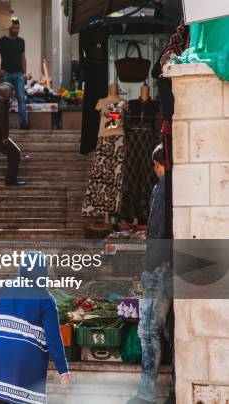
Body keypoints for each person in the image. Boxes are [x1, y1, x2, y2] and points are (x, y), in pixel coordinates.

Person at [0, 251, 70, 403]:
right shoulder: (46, 300)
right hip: (27, 364)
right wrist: (63, 370)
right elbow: (53, 338)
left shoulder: (1, 289)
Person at [128, 144, 173, 404]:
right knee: (174, 331)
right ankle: (176, 389)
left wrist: (149, 268)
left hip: (162, 269)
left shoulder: (162, 186)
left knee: (148, 330)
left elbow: (156, 230)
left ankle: (145, 394)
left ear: (157, 165)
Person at [0, 17, 28, 129]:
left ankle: (23, 125)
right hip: (6, 75)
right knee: (3, 101)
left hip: (19, 74)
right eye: (15, 28)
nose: (17, 30)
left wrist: (24, 74)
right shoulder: (1, 41)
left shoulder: (21, 41)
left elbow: (23, 57)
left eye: (18, 28)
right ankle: (2, 126)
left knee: (21, 99)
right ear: (9, 27)